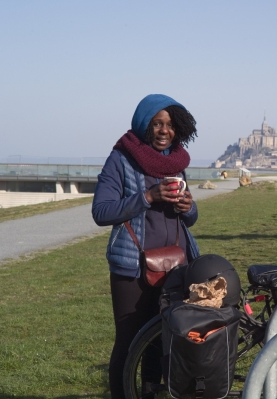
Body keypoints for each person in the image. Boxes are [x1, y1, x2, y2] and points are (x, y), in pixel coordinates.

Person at [92, 94, 200, 398]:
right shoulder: (122, 158)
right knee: (128, 343)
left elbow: (190, 219)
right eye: (157, 123)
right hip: (133, 267)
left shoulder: (176, 162)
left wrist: (187, 206)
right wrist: (148, 197)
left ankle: (151, 394)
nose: (164, 130)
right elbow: (101, 211)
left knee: (161, 339)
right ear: (145, 125)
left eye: (170, 125)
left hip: (175, 265)